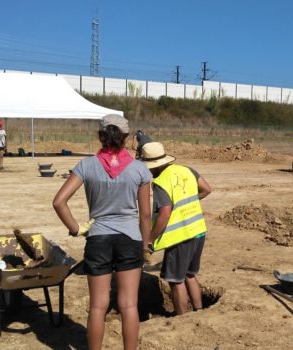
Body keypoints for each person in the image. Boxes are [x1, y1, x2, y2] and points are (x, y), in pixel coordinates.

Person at [52, 114, 152, 350]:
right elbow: (145, 215)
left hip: (98, 238)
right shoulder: (139, 169)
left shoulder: (86, 166)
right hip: (129, 238)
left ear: (100, 136)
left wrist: (76, 229)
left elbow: (59, 202)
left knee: (98, 306)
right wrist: (145, 245)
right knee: (129, 305)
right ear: (127, 138)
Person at [141, 141, 211, 316]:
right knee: (189, 275)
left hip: (181, 237)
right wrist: (189, 203)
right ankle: (198, 310)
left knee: (175, 280)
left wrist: (149, 238)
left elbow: (164, 214)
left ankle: (182, 318)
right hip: (198, 231)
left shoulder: (161, 182)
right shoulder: (186, 170)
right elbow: (206, 189)